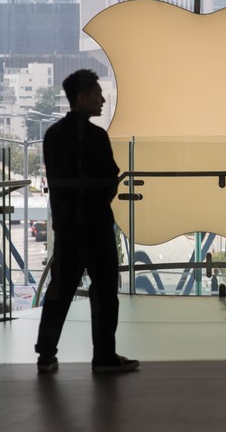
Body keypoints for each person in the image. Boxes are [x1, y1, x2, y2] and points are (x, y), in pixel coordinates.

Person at [35, 69, 139, 374]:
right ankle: (104, 356)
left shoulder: (53, 135)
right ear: (82, 98)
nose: (102, 99)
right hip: (96, 226)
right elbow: (110, 180)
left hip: (66, 228)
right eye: (97, 93)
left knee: (60, 291)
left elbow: (56, 180)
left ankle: (45, 353)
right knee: (105, 291)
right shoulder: (97, 136)